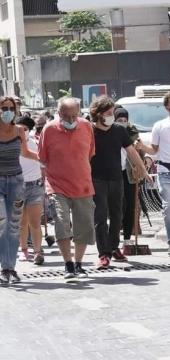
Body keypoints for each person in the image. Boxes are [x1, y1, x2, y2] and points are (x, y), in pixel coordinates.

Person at [38, 97, 95, 281]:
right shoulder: (49, 129)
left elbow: (90, 153)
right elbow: (43, 158)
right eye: (66, 116)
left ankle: (78, 263)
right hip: (57, 185)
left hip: (83, 184)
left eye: (74, 116)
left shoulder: (87, 127)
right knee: (62, 224)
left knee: (84, 227)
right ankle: (68, 263)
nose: (70, 120)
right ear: (59, 113)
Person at [90, 96, 150, 269]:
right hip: (96, 179)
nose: (111, 116)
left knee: (118, 215)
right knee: (100, 216)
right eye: (108, 113)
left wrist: (144, 172)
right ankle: (103, 253)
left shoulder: (119, 131)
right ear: (98, 114)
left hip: (117, 178)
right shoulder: (89, 131)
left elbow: (131, 152)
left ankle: (113, 246)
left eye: (112, 113)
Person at [138, 91, 170, 256]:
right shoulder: (159, 126)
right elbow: (154, 149)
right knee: (169, 207)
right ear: (167, 107)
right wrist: (141, 147)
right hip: (165, 171)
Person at [0, 96, 38, 284]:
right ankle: (3, 267)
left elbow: (26, 153)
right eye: (3, 107)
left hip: (16, 181)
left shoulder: (19, 131)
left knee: (13, 227)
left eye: (10, 108)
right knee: (2, 224)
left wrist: (45, 159)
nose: (7, 111)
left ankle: (10, 268)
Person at [16, 115, 45, 265]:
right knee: (22, 222)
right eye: (19, 128)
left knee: (35, 222)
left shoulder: (36, 144)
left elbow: (43, 164)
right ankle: (24, 249)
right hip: (17, 187)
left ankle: (38, 252)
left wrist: (45, 183)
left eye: (25, 129)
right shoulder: (10, 145)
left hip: (35, 186)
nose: (22, 131)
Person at [114, 107, 139, 245]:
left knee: (130, 206)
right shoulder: (111, 133)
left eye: (125, 120)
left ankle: (128, 238)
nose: (122, 123)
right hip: (114, 173)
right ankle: (114, 236)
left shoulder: (133, 134)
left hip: (129, 174)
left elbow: (139, 155)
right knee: (117, 206)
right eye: (119, 120)